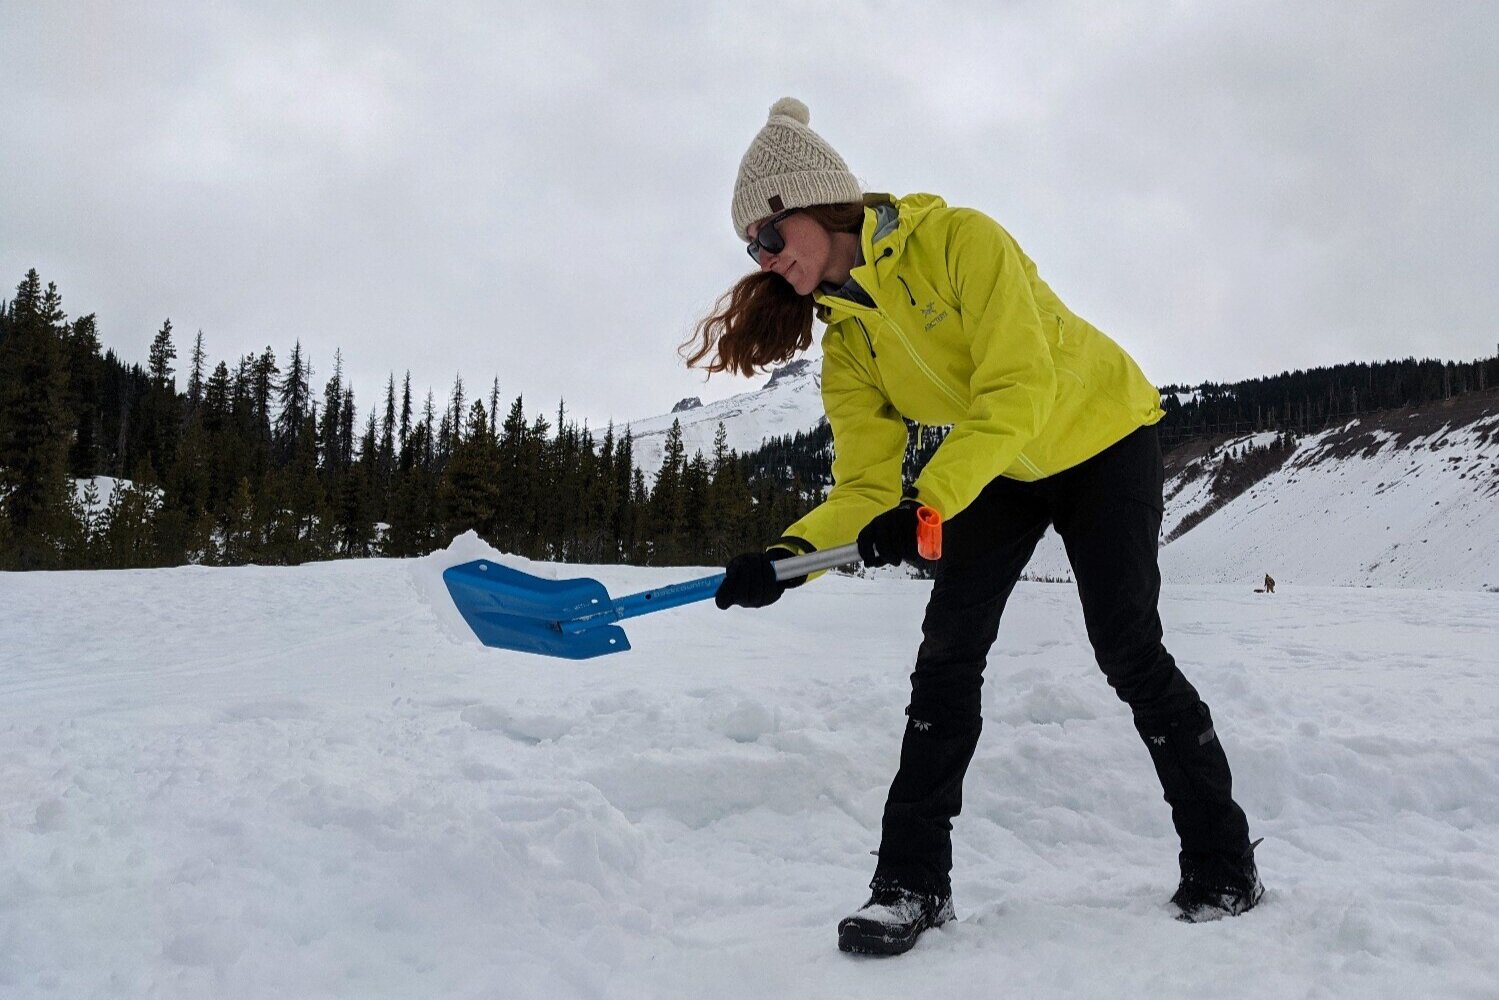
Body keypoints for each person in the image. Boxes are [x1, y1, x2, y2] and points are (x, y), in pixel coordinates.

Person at [690, 97, 1263, 956]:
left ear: (813, 205)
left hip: (1098, 436)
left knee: (1126, 646)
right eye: (750, 251)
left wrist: (925, 506)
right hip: (994, 465)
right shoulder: (848, 343)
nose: (763, 261)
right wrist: (784, 558)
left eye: (767, 240)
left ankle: (1223, 861)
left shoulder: (962, 241)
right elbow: (863, 482)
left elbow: (1018, 391)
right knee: (946, 657)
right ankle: (909, 885)